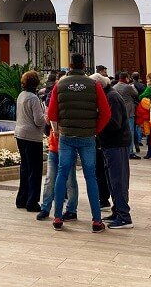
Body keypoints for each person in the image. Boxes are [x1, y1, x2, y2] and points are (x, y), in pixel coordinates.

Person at [46, 53, 111, 233]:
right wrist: (94, 129)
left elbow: (51, 114)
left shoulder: (60, 85)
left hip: (66, 136)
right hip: (87, 137)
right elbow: (106, 113)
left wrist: (59, 129)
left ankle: (58, 217)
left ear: (70, 65)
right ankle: (96, 220)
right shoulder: (94, 85)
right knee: (91, 177)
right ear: (84, 66)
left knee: (62, 174)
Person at [99, 79, 133, 228]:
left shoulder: (112, 97)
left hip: (116, 144)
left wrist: (97, 118)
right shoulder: (109, 95)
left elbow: (114, 123)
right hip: (111, 144)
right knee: (112, 180)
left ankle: (124, 216)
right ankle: (117, 211)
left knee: (118, 180)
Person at [14, 70, 46, 212]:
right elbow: (39, 121)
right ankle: (32, 201)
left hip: (20, 134)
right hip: (32, 136)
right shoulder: (33, 98)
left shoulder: (21, 95)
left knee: (25, 167)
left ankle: (22, 198)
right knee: (35, 169)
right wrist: (46, 115)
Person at [37, 126, 77, 222]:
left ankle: (71, 210)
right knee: (50, 179)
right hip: (54, 148)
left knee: (70, 181)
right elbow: (47, 127)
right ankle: (46, 208)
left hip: (67, 149)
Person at [112, 72, 138, 158]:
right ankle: (130, 151)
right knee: (130, 131)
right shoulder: (128, 87)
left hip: (118, 113)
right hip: (129, 112)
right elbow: (136, 94)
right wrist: (133, 87)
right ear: (126, 78)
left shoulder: (114, 87)